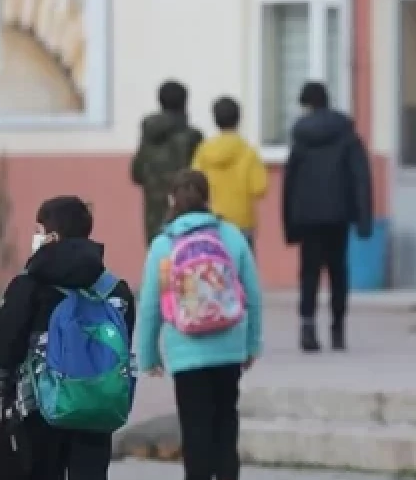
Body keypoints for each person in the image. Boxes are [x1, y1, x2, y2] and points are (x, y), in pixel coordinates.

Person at [0, 196, 135, 480]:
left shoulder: (29, 285)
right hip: (98, 406)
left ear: (51, 234)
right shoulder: (116, 290)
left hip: (43, 406)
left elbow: (6, 345)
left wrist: (4, 387)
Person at [136, 170, 263, 480]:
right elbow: (252, 295)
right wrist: (252, 343)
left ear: (171, 200)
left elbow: (151, 303)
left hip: (186, 349)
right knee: (226, 415)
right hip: (229, 345)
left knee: (194, 424)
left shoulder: (164, 246)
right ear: (208, 198)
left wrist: (147, 353)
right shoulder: (231, 236)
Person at [281, 81, 373, 353]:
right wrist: (363, 218)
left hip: (307, 216)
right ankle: (338, 330)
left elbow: (290, 183)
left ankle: (307, 329)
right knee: (338, 271)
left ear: (306, 104)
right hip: (338, 215)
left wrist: (289, 223)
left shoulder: (300, 139)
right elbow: (360, 178)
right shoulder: (347, 135)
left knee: (309, 272)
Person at [131, 80, 204, 244]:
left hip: (153, 215)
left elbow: (136, 173)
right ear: (185, 103)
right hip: (187, 211)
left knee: (158, 260)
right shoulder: (193, 136)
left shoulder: (149, 135)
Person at [191, 96, 268, 252]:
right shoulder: (248, 151)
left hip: (210, 220)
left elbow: (194, 183)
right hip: (242, 221)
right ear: (239, 119)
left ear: (215, 120)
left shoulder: (203, 150)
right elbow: (259, 188)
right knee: (243, 272)